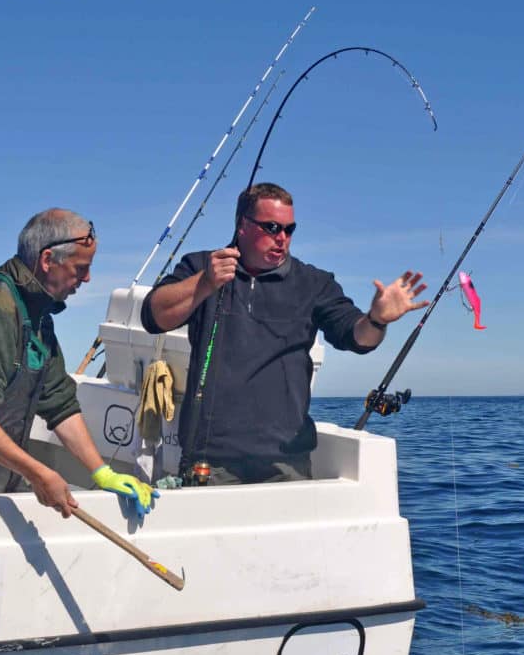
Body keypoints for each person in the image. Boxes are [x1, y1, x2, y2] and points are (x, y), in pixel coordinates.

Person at [142, 182, 428, 484]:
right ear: (242, 225)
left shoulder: (314, 283)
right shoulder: (201, 267)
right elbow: (153, 316)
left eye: (289, 230)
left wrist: (377, 319)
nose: (282, 238)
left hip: (286, 460)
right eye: (272, 227)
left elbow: (356, 337)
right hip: (211, 459)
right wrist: (205, 284)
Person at [0, 208, 156, 519]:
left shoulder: (37, 316)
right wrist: (37, 473)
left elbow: (59, 403)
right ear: (48, 260)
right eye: (80, 268)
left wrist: (102, 473)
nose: (87, 279)